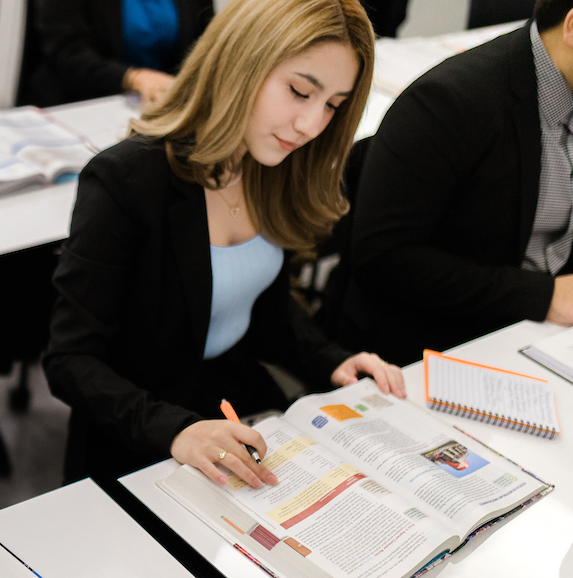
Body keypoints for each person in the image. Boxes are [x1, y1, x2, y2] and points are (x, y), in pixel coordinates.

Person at [44, 0, 405, 489]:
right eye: (300, 91)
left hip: (235, 406)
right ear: (241, 62)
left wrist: (330, 360)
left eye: (332, 105)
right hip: (138, 435)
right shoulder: (127, 180)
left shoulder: (273, 163)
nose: (311, 125)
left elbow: (258, 305)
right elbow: (70, 360)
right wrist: (179, 431)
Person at [338, 0, 573, 367]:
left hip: (540, 331)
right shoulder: (452, 101)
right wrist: (543, 296)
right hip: (434, 344)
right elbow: (382, 256)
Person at [26, 0, 214, 108]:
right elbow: (68, 54)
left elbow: (207, 44)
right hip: (81, 102)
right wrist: (133, 79)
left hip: (163, 104)